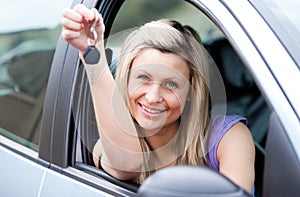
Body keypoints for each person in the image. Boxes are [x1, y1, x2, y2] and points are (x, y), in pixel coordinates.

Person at [62, 4, 255, 195]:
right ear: (125, 81)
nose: (153, 97)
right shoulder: (110, 144)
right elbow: (126, 165)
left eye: (171, 84)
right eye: (143, 78)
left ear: (190, 93)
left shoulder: (228, 137)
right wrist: (93, 58)